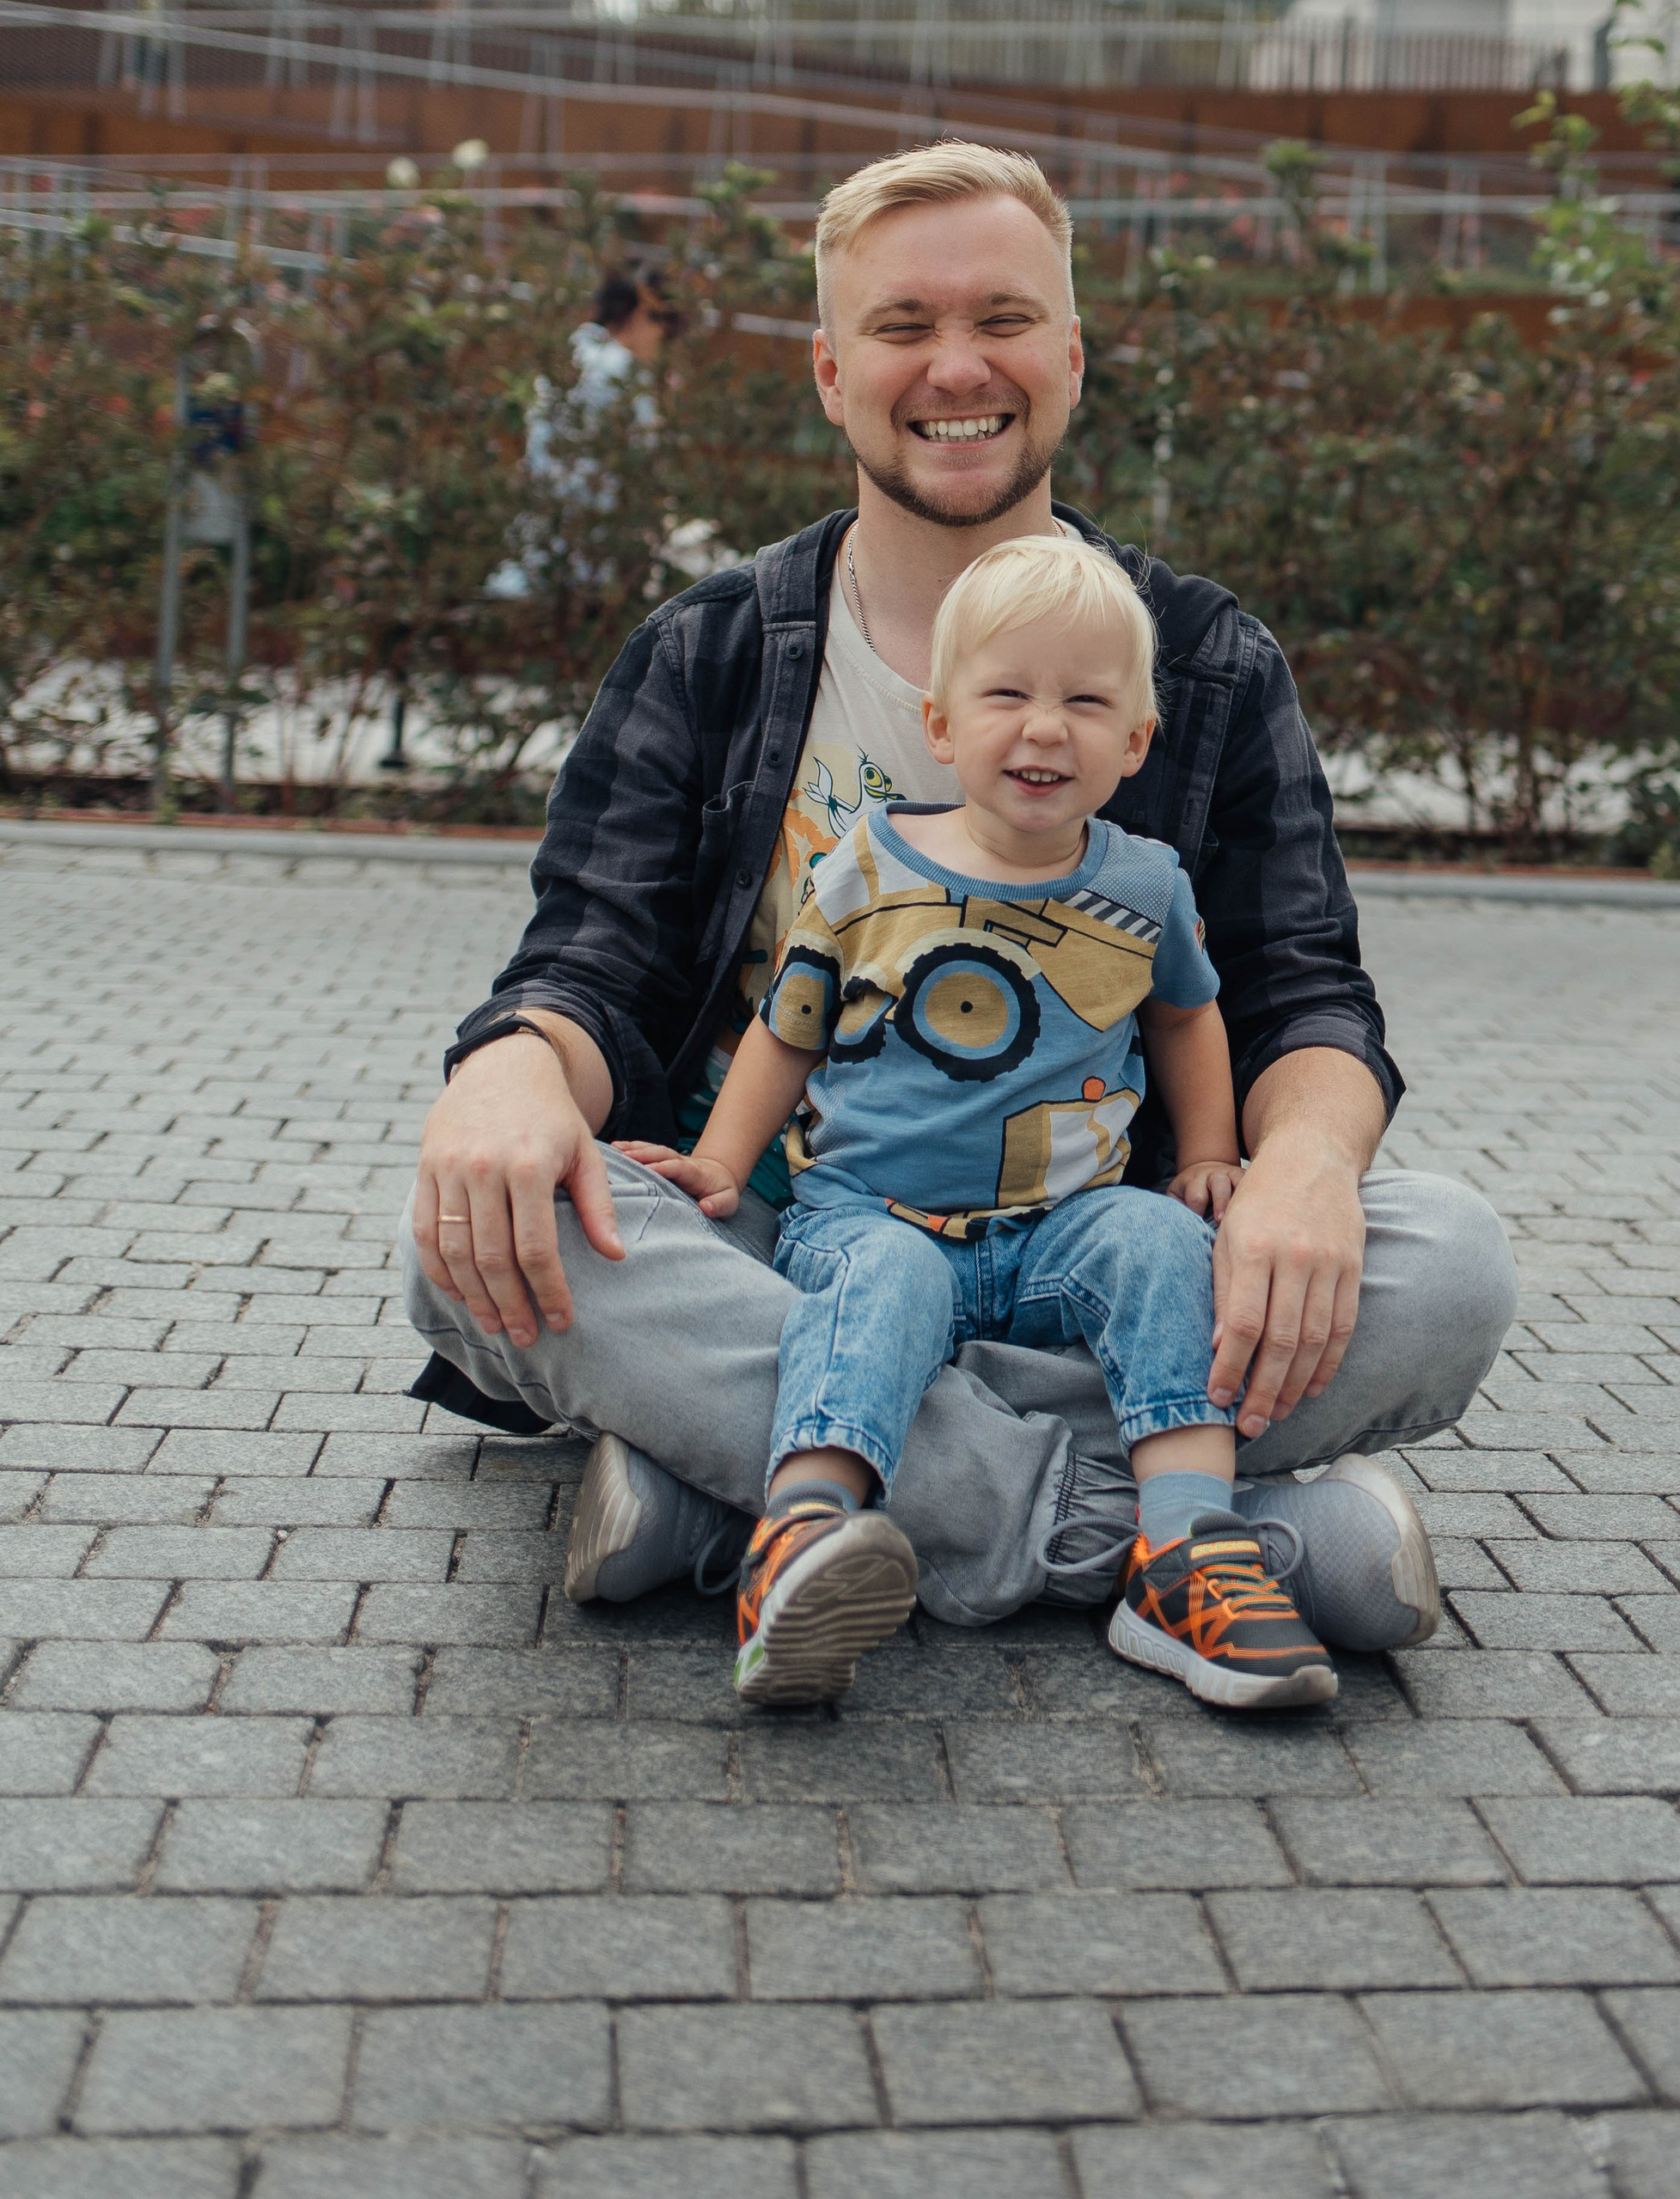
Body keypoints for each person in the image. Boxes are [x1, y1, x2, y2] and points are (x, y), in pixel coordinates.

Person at [405, 140, 1518, 1650]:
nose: (956, 368)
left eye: (1001, 318)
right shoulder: (712, 652)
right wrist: (509, 1075)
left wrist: (1312, 1164)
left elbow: (1300, 987)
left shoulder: (1199, 661)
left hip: (1106, 1251)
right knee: (480, 1234)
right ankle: (1190, 1536)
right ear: (828, 370)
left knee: (1449, 1260)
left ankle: (758, 1493)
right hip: (794, 1237)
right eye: (903, 327)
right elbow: (592, 952)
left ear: (1070, 354)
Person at [623, 529, 1338, 1713]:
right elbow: (787, 1030)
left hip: (1063, 1228)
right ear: (943, 726)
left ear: (1135, 742)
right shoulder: (864, 865)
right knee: (877, 1287)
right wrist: (714, 1166)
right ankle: (802, 1531)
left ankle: (1186, 1547)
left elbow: (1188, 1022)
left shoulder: (1145, 886)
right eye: (1007, 694)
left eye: (1085, 702)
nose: (1045, 727)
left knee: (1164, 1246)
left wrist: (1213, 1157)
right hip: (873, 1213)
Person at [485, 260, 681, 597]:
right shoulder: (623, 371)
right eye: (666, 325)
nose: (664, 340)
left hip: (541, 546)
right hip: (590, 562)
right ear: (643, 313)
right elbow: (647, 464)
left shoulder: (573, 354)